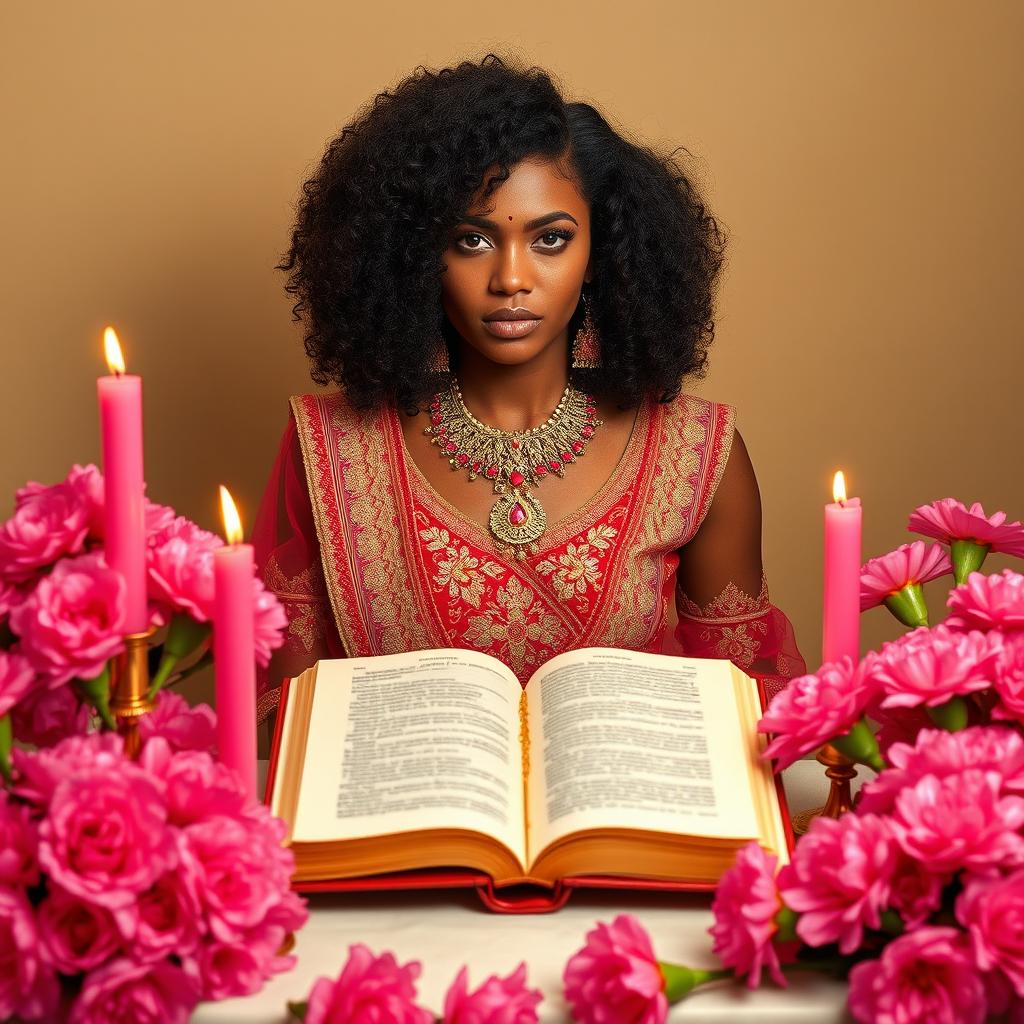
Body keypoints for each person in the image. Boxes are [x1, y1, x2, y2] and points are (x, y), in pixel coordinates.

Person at [252, 54, 807, 743]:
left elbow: (749, 722)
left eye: (550, 239)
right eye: (473, 239)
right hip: (395, 838)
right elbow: (281, 733)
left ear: (603, 254)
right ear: (415, 255)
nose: (510, 278)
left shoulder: (698, 455)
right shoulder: (327, 448)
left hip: (625, 836)